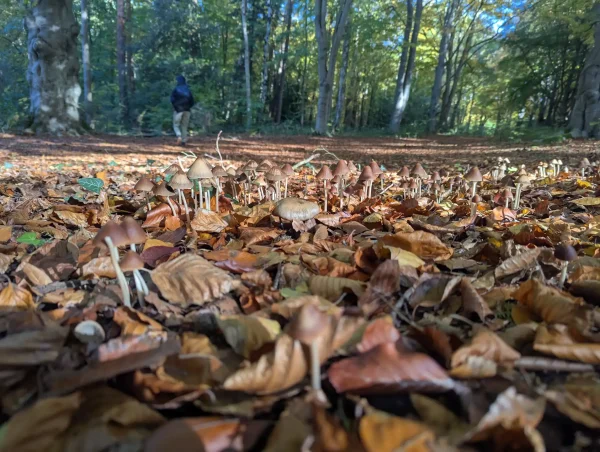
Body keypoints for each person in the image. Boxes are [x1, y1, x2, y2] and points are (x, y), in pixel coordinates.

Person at [170, 75, 195, 145]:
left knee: (176, 125)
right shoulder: (188, 90)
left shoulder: (175, 89)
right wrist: (188, 107)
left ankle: (179, 136)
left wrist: (176, 106)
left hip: (178, 110)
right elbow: (192, 101)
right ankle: (184, 141)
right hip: (187, 110)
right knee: (184, 126)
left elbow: (172, 100)